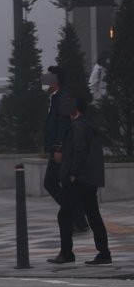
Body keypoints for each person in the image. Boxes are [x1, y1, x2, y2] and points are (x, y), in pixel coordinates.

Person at [48, 97, 112, 265]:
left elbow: (79, 151)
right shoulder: (87, 124)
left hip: (79, 179)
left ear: (75, 109)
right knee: (93, 215)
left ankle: (67, 254)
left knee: (64, 215)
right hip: (89, 179)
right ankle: (104, 253)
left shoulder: (78, 126)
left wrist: (73, 173)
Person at [43, 66, 89, 232]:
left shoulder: (66, 97)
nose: (45, 80)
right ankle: (78, 216)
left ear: (56, 80)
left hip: (62, 149)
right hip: (56, 148)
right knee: (54, 183)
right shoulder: (55, 97)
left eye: (48, 77)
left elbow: (66, 124)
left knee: (53, 183)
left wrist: (59, 147)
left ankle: (78, 216)